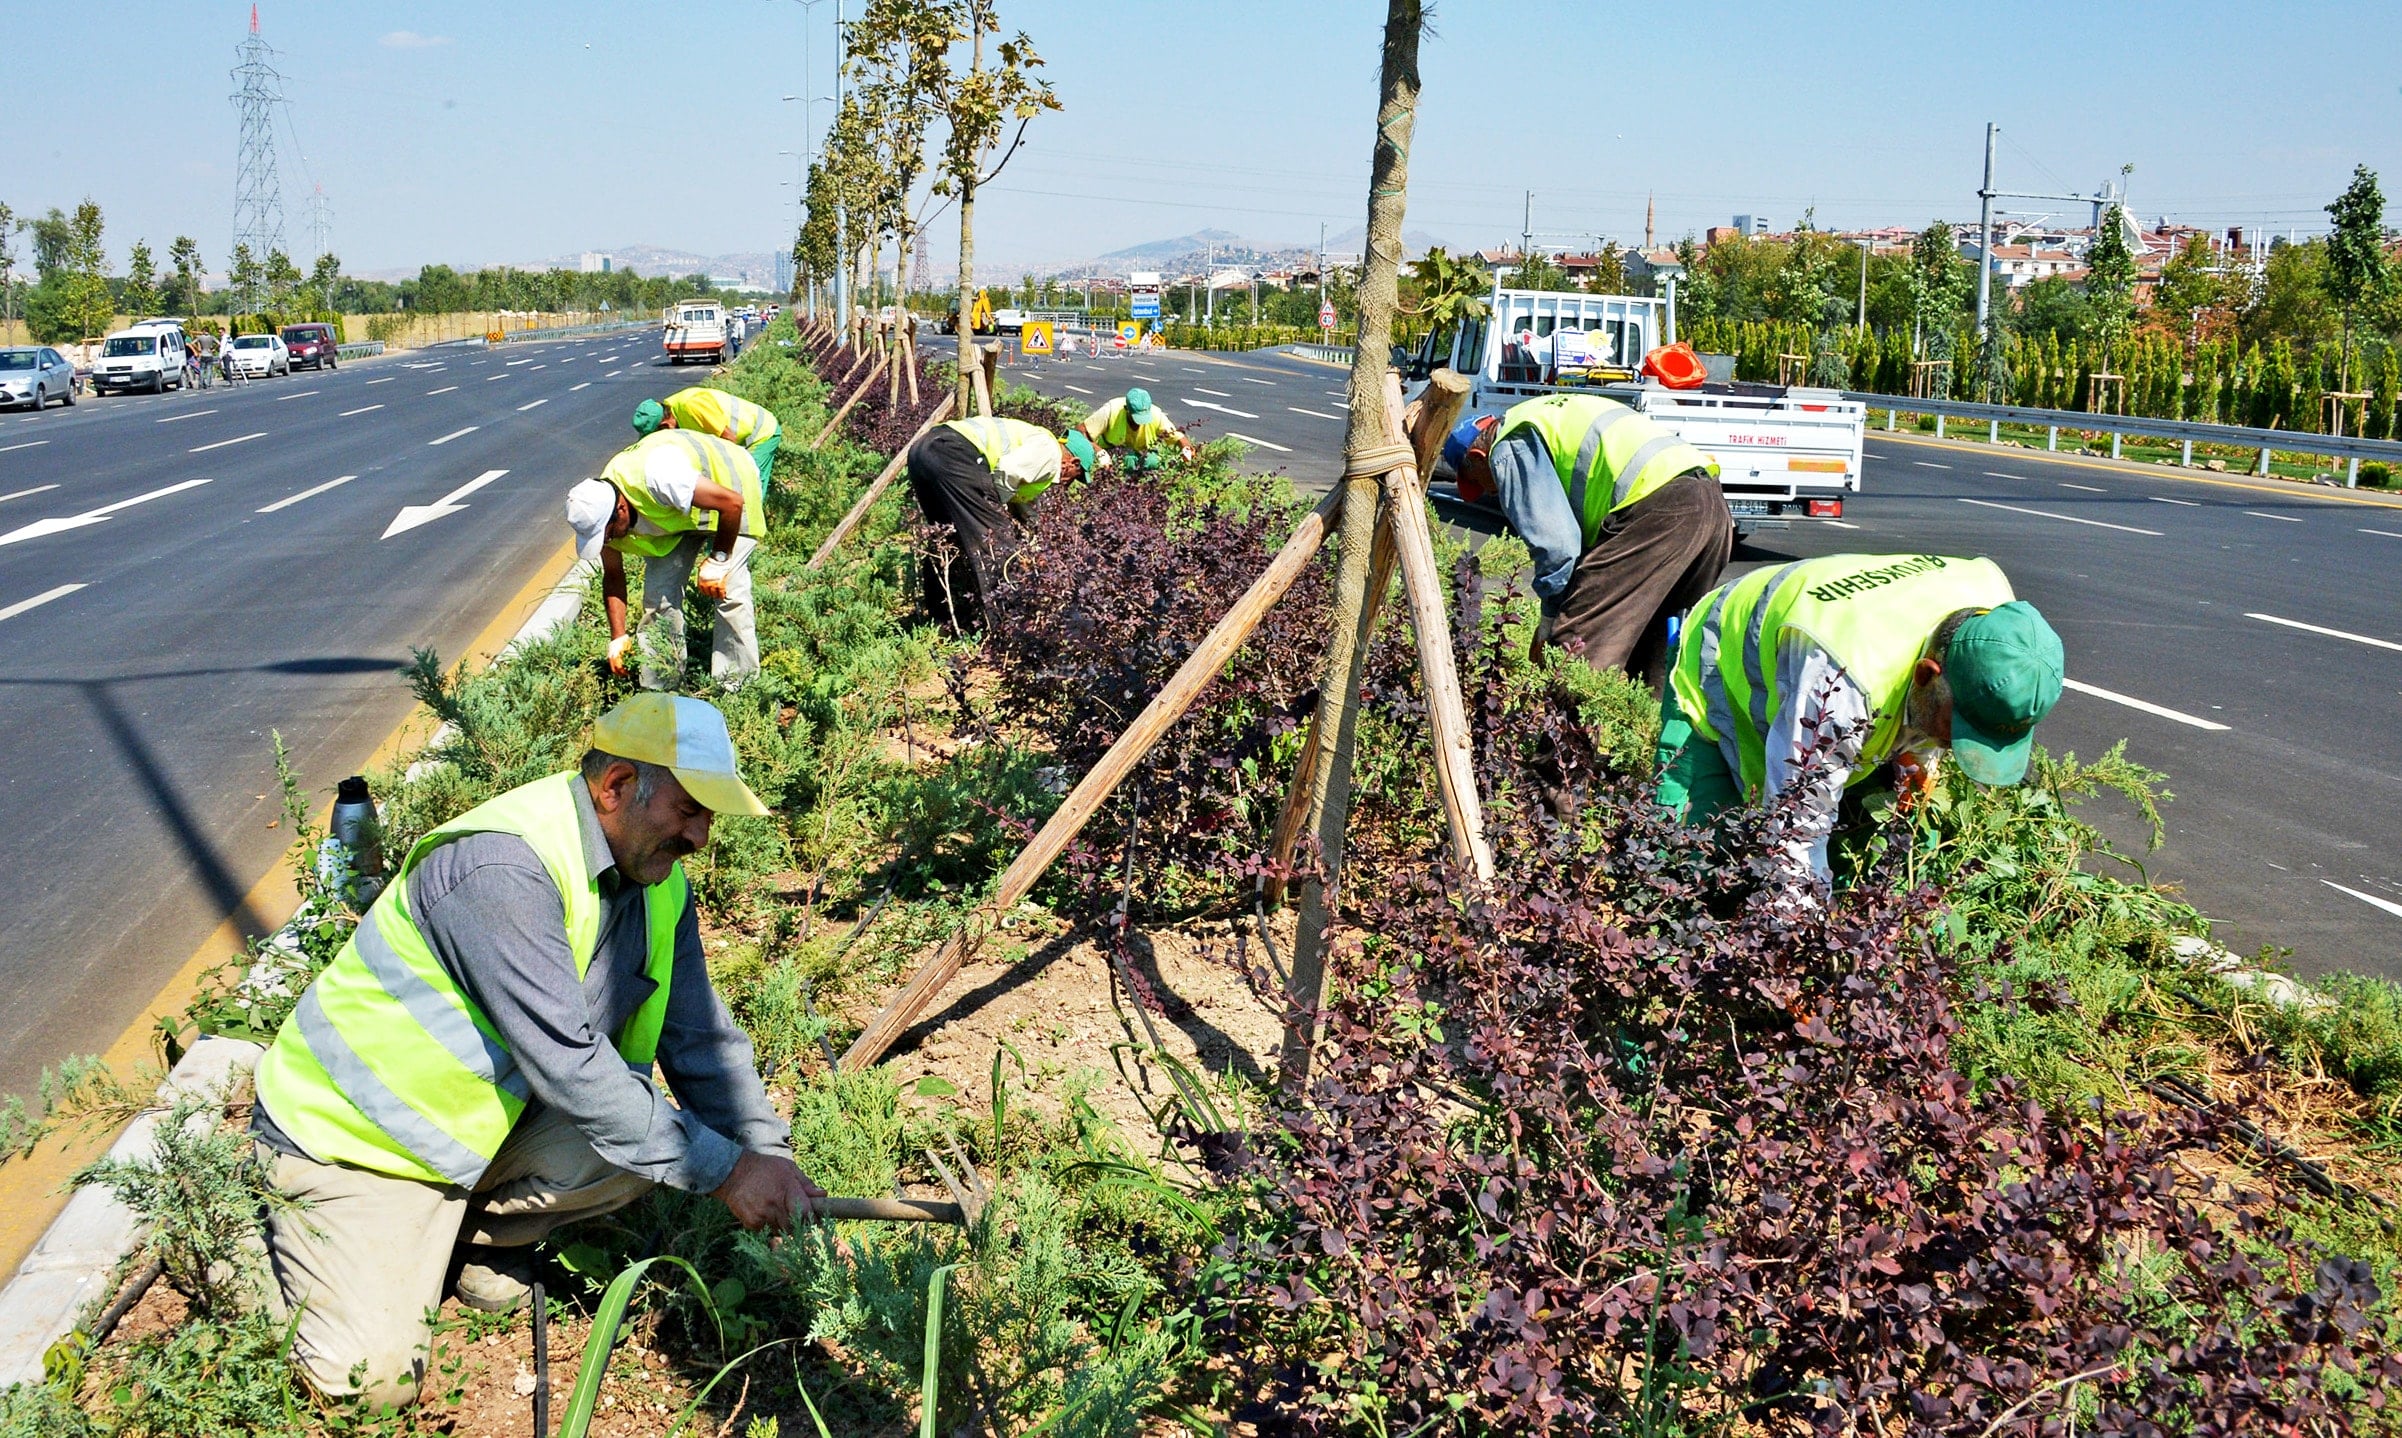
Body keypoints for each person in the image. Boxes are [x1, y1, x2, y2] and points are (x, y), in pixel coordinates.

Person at [249, 694, 820, 1407]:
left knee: (657, 1146)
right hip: (354, 1141)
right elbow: (573, 1068)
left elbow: (700, 1035)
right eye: (689, 809)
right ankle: (231, 1227)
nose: (702, 836)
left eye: (709, 815)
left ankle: (474, 1238)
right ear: (615, 787)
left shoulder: (656, 882)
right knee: (372, 1381)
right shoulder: (504, 869)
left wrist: (768, 1157)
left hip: (475, 1128)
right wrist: (731, 1174)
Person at [1658, 553, 2065, 884]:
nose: (1954, 746)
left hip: (1822, 669)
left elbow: (1943, 708)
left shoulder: (2002, 624)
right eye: (1956, 730)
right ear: (1925, 674)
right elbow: (1794, 833)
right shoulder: (1842, 680)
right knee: (1690, 866)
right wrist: (1797, 950)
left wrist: (1916, 761)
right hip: (1721, 659)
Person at [1451, 393, 1732, 689]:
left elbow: (1558, 549)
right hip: (1710, 506)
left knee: (1576, 649)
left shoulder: (1509, 446)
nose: (1490, 493)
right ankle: (1648, 731)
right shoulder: (1543, 411)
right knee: (1657, 657)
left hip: (1658, 508)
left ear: (1476, 457)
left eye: (1479, 483)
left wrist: (1548, 626)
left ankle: (1565, 734)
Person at [565, 429, 766, 689]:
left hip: (731, 489)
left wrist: (719, 559)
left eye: (607, 534)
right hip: (679, 514)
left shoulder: (659, 476)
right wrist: (618, 637)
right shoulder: (600, 516)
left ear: (621, 510)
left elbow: (732, 504)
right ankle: (661, 688)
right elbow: (613, 575)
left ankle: (739, 689)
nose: (606, 541)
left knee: (729, 593)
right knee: (659, 599)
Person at [905, 415, 1100, 630]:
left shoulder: (1037, 447)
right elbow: (1008, 470)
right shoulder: (1050, 452)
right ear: (1074, 463)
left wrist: (1039, 538)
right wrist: (996, 513)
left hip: (924, 451)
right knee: (997, 547)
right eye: (1076, 477)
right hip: (953, 454)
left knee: (946, 539)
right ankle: (1005, 627)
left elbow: (1024, 507)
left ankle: (941, 620)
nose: (1069, 483)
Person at [632, 386, 784, 492]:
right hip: (739, 438)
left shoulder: (692, 406)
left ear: (665, 425)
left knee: (749, 484)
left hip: (760, 433)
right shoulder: (668, 412)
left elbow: (730, 440)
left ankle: (748, 534)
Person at [1076, 387, 1195, 470]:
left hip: (1142, 453)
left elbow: (1178, 437)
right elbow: (1080, 431)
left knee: (1153, 461)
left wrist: (1186, 449)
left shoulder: (1156, 414)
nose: (1139, 423)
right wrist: (1099, 452)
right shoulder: (1111, 410)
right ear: (1126, 409)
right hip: (1112, 451)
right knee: (1129, 460)